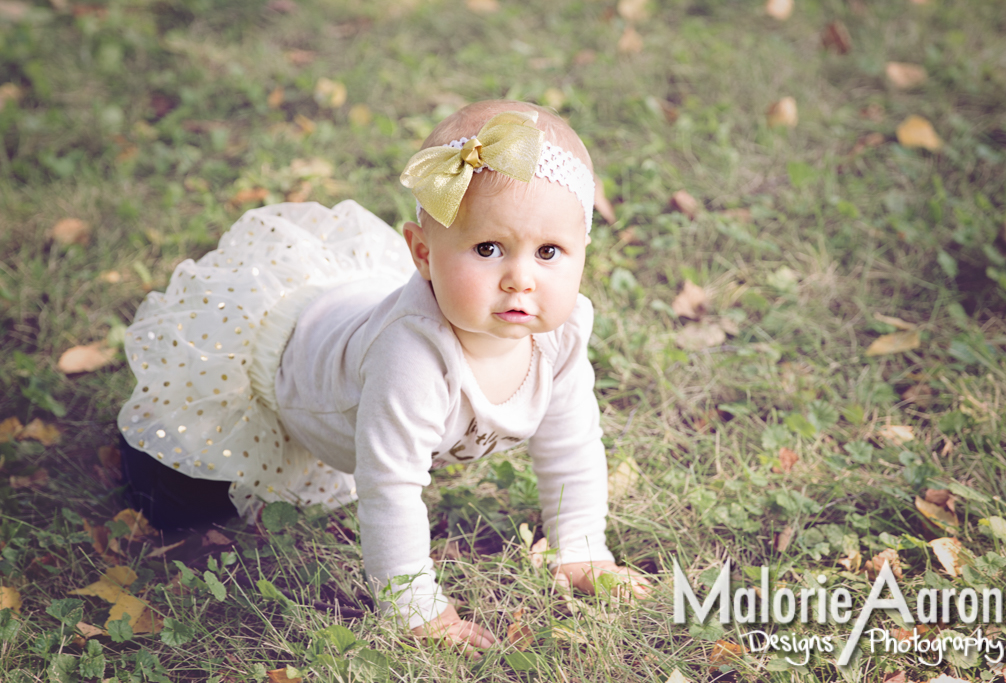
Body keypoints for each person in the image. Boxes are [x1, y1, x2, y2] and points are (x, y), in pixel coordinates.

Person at [117, 99, 649, 653]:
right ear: (422, 253)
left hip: (353, 316)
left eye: (549, 252)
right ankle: (144, 458)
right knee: (184, 498)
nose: (520, 279)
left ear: (583, 254)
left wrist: (581, 546)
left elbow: (573, 442)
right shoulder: (412, 355)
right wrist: (416, 610)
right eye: (488, 249)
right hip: (289, 368)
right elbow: (389, 487)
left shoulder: (560, 335)